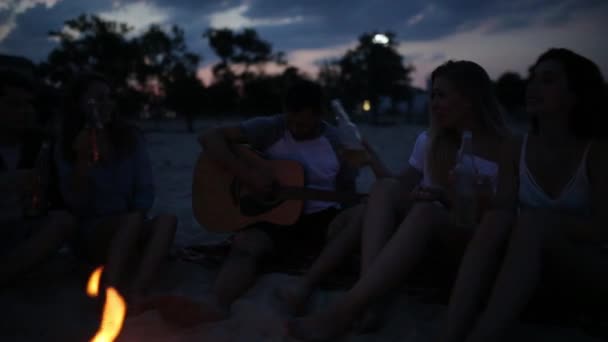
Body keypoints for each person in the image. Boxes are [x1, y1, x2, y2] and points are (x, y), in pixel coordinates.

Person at [287, 60, 510, 340]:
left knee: (425, 211)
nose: (433, 103)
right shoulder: (429, 141)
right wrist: (370, 160)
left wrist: (445, 197)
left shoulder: (506, 149)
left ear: (469, 100)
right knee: (384, 190)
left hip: (465, 246)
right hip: (417, 240)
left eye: (441, 95)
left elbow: (499, 219)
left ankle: (346, 308)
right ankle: (369, 299)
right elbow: (396, 187)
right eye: (432, 95)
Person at [439, 48, 608, 342]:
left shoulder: (597, 152)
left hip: (586, 267)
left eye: (548, 80)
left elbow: (602, 228)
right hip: (530, 265)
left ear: (575, 94)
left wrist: (544, 223)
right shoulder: (516, 147)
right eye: (533, 78)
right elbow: (503, 207)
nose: (533, 86)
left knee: (530, 223)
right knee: (495, 219)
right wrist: (475, 195)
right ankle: (450, 334)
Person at [55, 72, 177, 305]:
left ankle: (138, 289)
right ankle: (109, 289)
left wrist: (135, 216)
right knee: (130, 220)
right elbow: (75, 202)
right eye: (98, 99)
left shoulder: (129, 138)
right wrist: (82, 159)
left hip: (130, 224)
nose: (106, 104)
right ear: (79, 104)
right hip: (92, 232)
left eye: (109, 98)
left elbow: (145, 189)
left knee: (166, 220)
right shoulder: (67, 143)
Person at [0, 69, 76, 286]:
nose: (25, 112)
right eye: (14, 104)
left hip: (19, 229)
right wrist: (8, 181)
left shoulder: (39, 145)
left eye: (29, 105)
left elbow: (56, 200)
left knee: (63, 221)